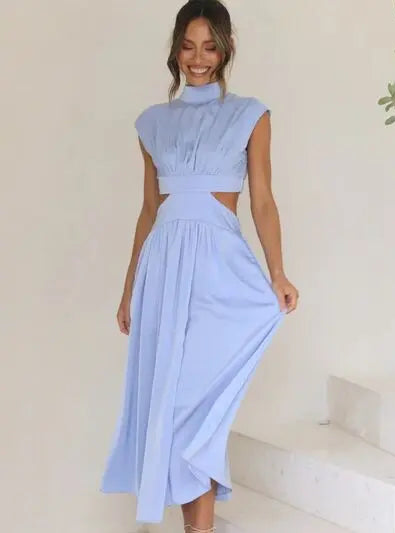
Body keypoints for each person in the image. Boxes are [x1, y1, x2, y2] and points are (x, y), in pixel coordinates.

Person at [100, 0, 299, 531]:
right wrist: (128, 290)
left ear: (226, 50)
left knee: (195, 409)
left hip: (218, 269)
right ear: (175, 51)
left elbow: (262, 201)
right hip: (163, 271)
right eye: (188, 47)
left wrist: (277, 272)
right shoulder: (152, 123)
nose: (198, 58)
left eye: (210, 47)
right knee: (171, 405)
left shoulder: (250, 115)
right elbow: (149, 211)